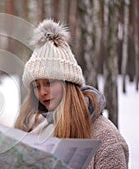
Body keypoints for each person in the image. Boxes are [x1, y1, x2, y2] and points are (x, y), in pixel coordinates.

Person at [14, 19, 129, 169]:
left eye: (49, 82)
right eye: (37, 86)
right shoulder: (30, 127)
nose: (42, 92)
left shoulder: (106, 139)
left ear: (68, 83)